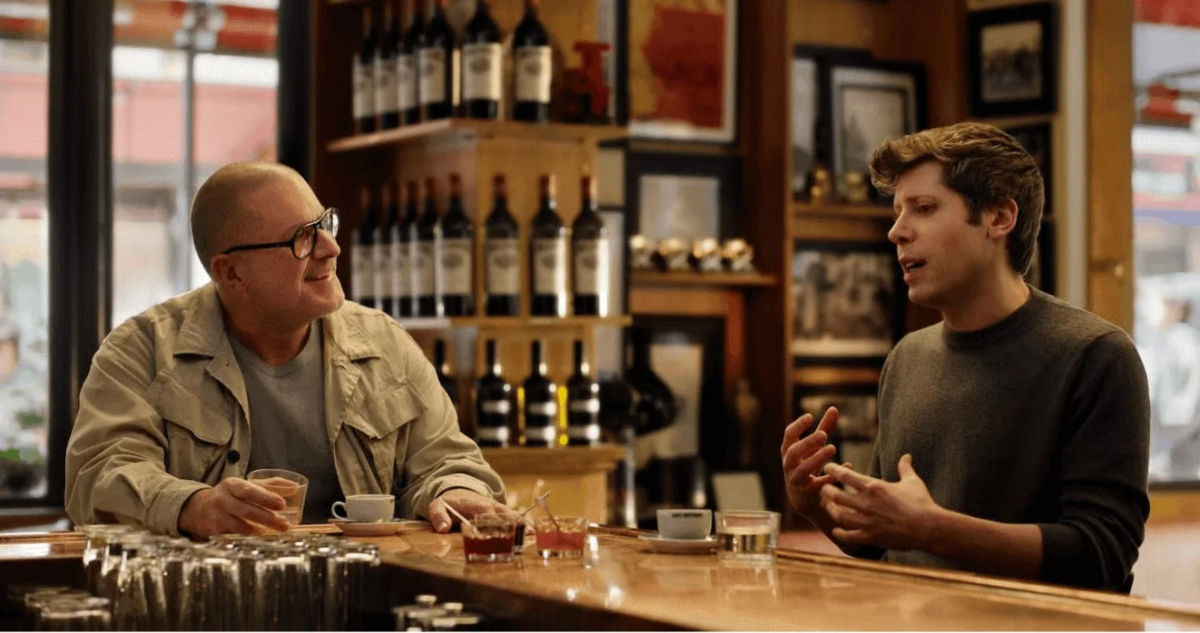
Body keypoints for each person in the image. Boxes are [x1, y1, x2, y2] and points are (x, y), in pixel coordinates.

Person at [781, 122, 1150, 593]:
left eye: (924, 209)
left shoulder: (1097, 356)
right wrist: (817, 505)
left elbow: (1101, 554)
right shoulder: (907, 359)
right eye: (897, 212)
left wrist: (932, 527)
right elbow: (891, 545)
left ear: (999, 219)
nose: (897, 231)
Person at [66, 162, 509, 538]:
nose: (332, 248)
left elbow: (447, 460)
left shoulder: (384, 343)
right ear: (231, 272)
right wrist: (193, 506)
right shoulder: (140, 352)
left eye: (326, 224)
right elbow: (96, 478)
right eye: (302, 238)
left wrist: (455, 492)